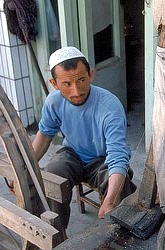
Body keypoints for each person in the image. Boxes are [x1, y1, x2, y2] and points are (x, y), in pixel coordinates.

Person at [29, 46, 136, 239]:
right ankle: (57, 237)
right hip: (73, 154)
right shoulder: (53, 102)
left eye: (81, 80)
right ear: (54, 83)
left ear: (91, 75)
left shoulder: (109, 107)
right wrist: (24, 169)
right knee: (52, 174)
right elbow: (44, 136)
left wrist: (110, 201)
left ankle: (119, 239)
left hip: (103, 158)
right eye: (66, 84)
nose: (76, 91)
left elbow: (117, 157)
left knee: (121, 186)